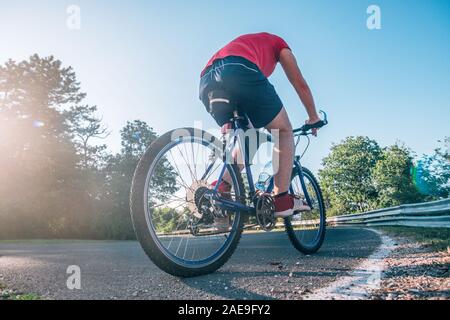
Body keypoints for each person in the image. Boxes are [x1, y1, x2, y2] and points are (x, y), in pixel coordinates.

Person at [199, 32, 322, 220]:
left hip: (207, 81)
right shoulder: (279, 43)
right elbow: (299, 82)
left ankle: (222, 185)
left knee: (250, 135)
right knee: (283, 130)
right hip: (238, 68)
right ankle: (281, 199)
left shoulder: (251, 43)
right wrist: (313, 117)